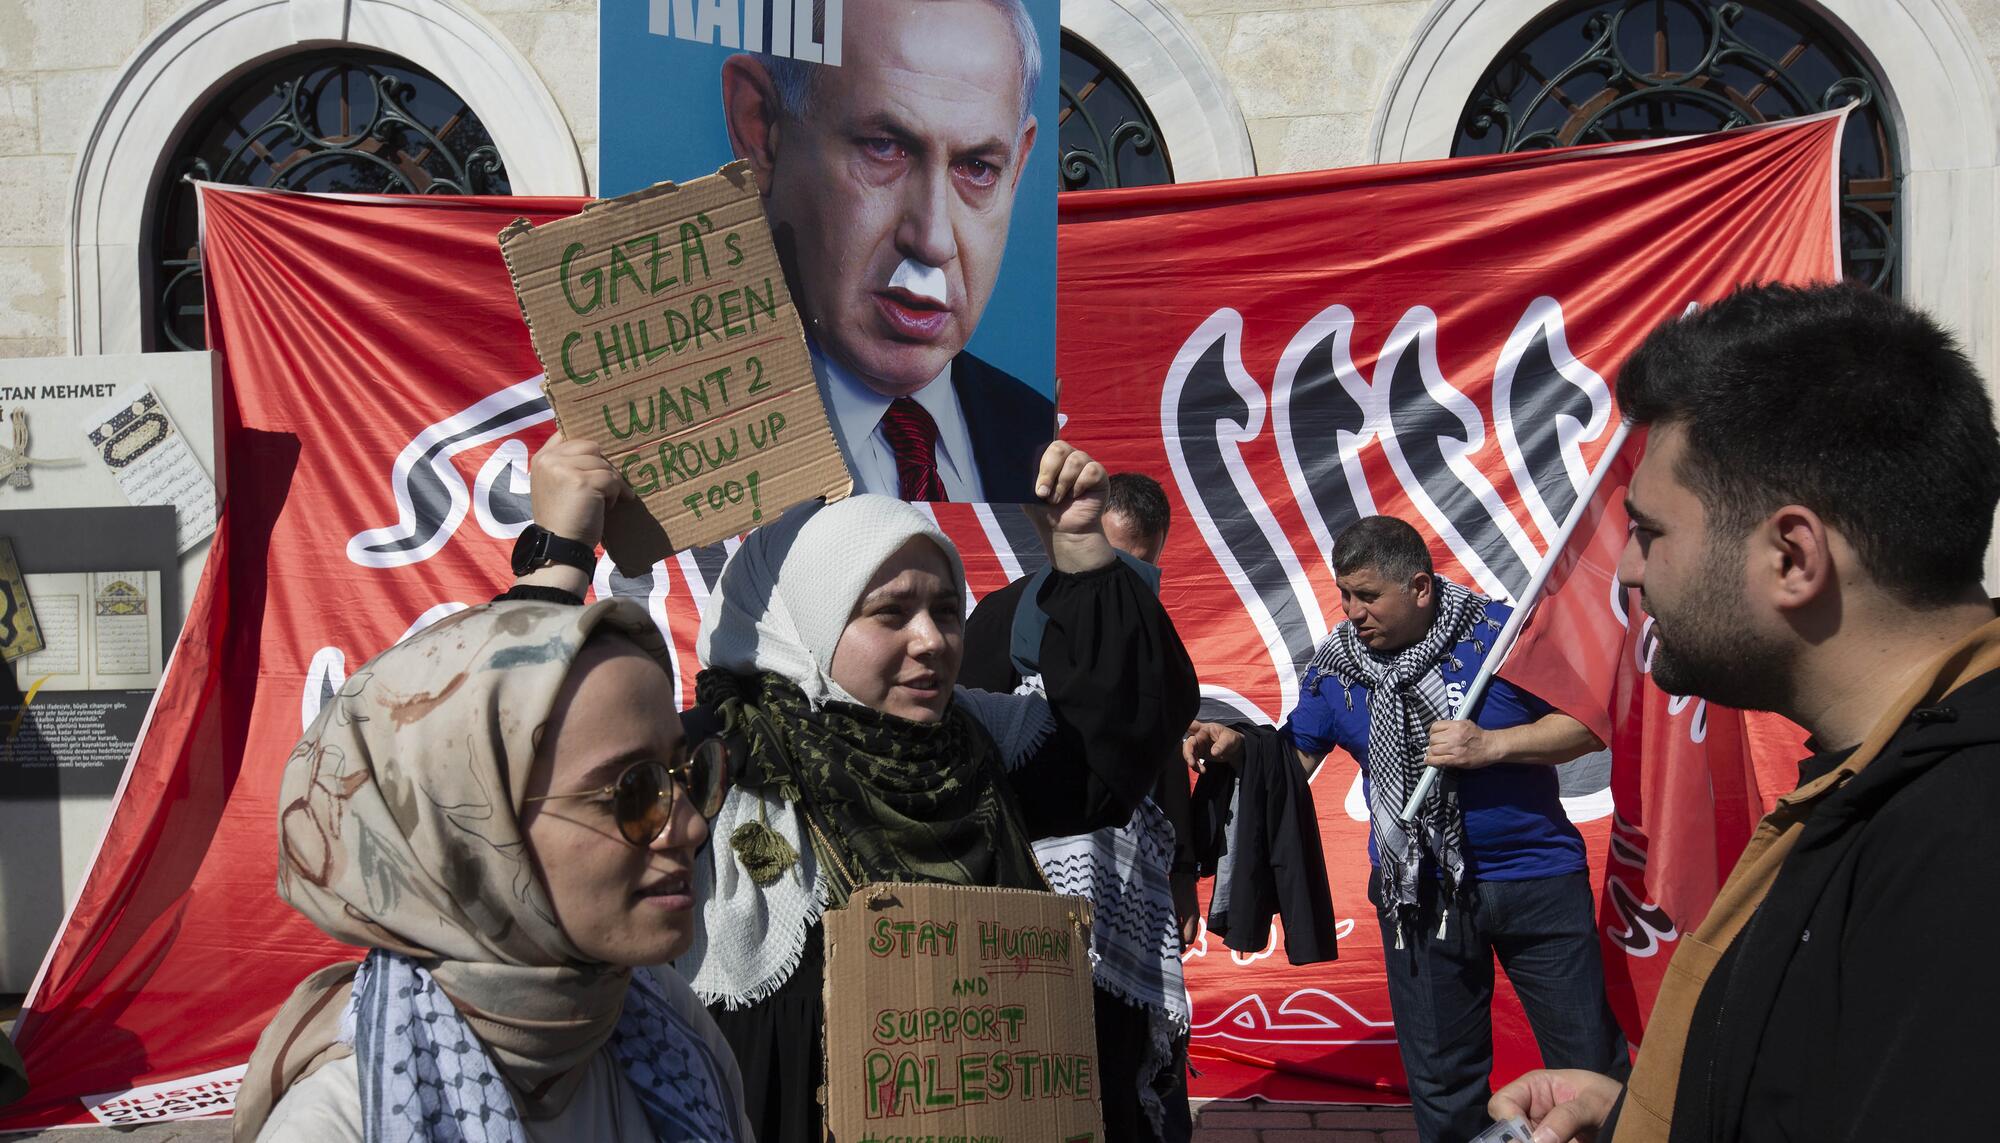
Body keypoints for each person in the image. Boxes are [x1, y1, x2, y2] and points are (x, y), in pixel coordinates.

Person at [513, 437, 1200, 1141]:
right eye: (890, 613)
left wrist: (1082, 550)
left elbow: (1119, 737)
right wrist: (558, 558)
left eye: (946, 609)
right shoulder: (713, 760)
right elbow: (526, 768)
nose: (933, 640)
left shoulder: (980, 743)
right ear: (806, 621)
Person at [1491, 283, 2000, 1143]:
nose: (1626, 572)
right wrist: (1642, 1115)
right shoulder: (1883, 777)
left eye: (1650, 531)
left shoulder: (1963, 844)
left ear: (1792, 555)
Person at [233, 599, 755, 1142]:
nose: (691, 827)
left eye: (686, 775)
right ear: (469, 835)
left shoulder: (667, 1023)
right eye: (632, 792)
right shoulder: (345, 1124)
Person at [1185, 515, 1628, 1143]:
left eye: (1368, 596)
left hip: (1537, 881)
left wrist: (1492, 745)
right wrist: (1236, 748)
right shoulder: (1337, 668)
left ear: (1420, 588)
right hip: (1418, 896)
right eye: (1344, 594)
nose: (1352, 612)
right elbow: (1292, 763)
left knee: (1588, 1068)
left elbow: (1586, 724)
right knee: (1444, 1086)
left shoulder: (1499, 637)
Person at [720, 0, 1053, 501]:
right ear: (761, 129)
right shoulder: (664, 448)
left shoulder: (1040, 443)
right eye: (883, 146)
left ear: (1018, 166)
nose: (933, 240)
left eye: (978, 167)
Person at [959, 471, 1196, 1143]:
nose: (1131, 584)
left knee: (1123, 1061)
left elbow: (1154, 744)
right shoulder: (1005, 614)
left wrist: (1180, 870)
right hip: (1029, 882)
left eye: (1143, 568)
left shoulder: (1137, 626)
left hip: (1128, 892)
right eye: (1114, 560)